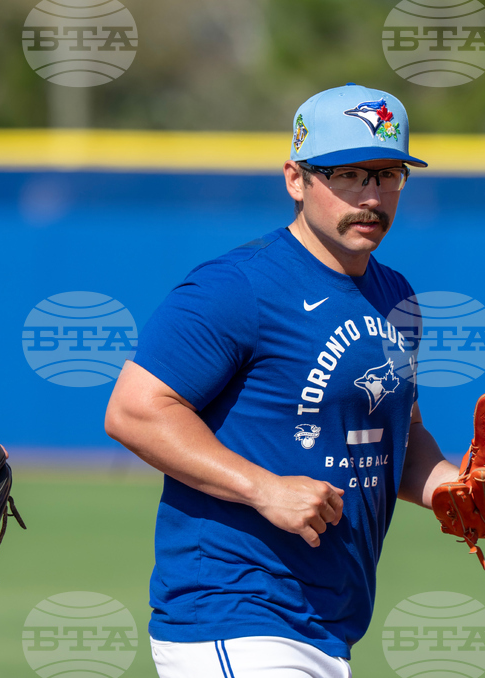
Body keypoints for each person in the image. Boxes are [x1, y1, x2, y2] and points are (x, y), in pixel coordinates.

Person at [104, 83, 460, 677]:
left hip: (328, 626)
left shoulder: (396, 296)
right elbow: (134, 411)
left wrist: (455, 489)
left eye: (388, 175)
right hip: (235, 613)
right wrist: (263, 488)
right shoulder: (237, 286)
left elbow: (395, 434)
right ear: (296, 179)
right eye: (348, 175)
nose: (372, 196)